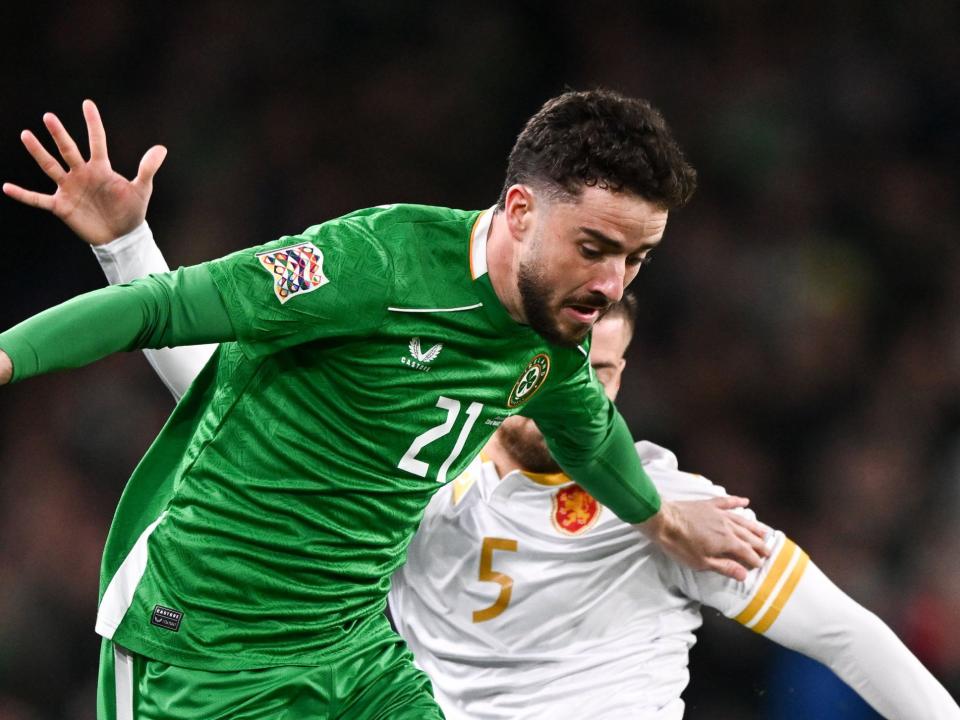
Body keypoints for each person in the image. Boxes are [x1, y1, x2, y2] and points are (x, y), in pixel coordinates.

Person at [0, 93, 769, 719]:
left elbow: (593, 439)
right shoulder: (375, 265)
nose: (611, 287)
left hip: (352, 653)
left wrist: (663, 521)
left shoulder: (553, 342)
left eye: (636, 259)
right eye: (595, 248)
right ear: (522, 210)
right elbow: (160, 310)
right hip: (202, 651)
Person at [53, 218, 960, 719]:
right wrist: (127, 246)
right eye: (567, 366)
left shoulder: (672, 511)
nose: (580, 393)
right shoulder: (428, 475)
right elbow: (229, 403)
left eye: (602, 374)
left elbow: (849, 636)